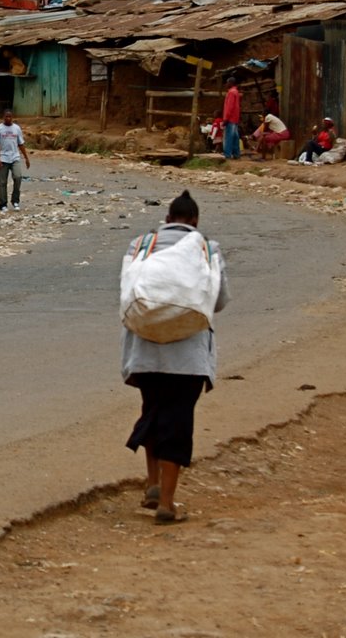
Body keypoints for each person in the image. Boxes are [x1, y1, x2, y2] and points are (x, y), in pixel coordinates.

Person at [121, 190, 230, 525]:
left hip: (145, 351)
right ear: (195, 222)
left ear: (167, 220)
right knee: (178, 421)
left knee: (152, 412)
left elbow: (128, 294)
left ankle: (152, 483)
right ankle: (167, 502)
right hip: (188, 357)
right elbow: (220, 300)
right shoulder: (207, 248)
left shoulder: (142, 245)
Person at [0, 109, 31, 211]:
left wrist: (26, 158)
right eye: (6, 117)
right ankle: (3, 204)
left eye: (10, 117)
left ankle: (15, 201)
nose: (8, 118)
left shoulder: (17, 128)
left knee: (18, 177)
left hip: (15, 157)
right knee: (2, 182)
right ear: (3, 117)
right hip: (3, 158)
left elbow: (20, 144)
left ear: (12, 117)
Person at [221, 76, 243, 160]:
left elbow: (229, 107)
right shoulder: (236, 92)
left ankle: (227, 154)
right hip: (235, 118)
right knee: (235, 137)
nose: (226, 84)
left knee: (229, 137)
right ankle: (236, 154)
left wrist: (226, 119)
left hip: (230, 118)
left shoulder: (231, 92)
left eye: (227, 82)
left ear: (230, 83)